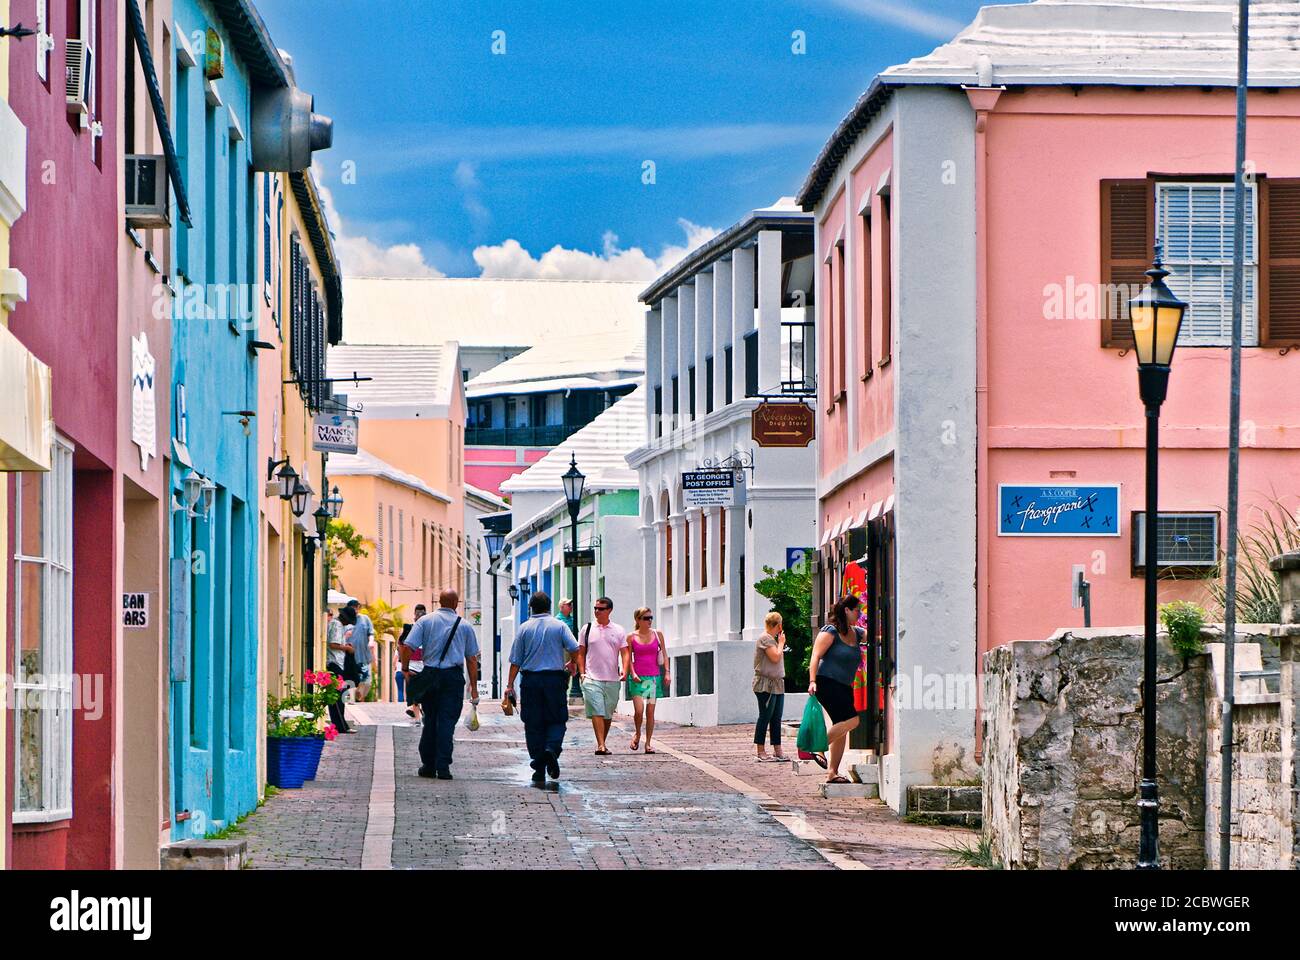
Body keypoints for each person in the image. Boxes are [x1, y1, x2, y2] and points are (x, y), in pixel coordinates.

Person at [401, 590, 479, 780]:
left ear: (440, 602)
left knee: (431, 719)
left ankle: (428, 764)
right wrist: (474, 687)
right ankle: (443, 766)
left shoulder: (425, 621)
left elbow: (407, 646)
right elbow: (471, 659)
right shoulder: (465, 626)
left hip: (430, 675)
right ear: (455, 602)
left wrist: (405, 669)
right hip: (452, 678)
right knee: (447, 721)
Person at [506, 591, 579, 785]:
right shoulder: (559, 625)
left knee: (533, 722)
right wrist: (573, 663)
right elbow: (575, 647)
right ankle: (551, 749)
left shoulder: (523, 629)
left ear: (531, 607)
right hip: (554, 680)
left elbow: (515, 661)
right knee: (557, 718)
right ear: (549, 606)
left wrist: (509, 685)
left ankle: (538, 765)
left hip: (531, 681)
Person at [807, 595, 864, 784]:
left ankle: (832, 772)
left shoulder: (856, 633)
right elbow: (815, 656)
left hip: (844, 686)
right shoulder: (830, 631)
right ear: (846, 610)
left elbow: (877, 637)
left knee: (842, 728)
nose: (860, 613)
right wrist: (812, 680)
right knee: (852, 720)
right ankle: (817, 746)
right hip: (826, 682)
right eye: (857, 610)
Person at [576, 596, 629, 755]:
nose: (597, 611)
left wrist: (625, 670)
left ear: (609, 610)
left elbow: (625, 652)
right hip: (592, 678)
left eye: (601, 609)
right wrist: (582, 673)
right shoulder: (587, 629)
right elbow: (581, 653)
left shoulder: (618, 630)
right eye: (596, 608)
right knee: (597, 711)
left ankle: (602, 742)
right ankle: (601, 745)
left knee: (607, 714)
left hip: (612, 679)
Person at [626, 607, 669, 754]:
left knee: (650, 712)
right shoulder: (631, 637)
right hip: (637, 679)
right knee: (639, 711)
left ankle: (648, 743)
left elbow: (664, 653)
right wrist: (632, 673)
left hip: (652, 679)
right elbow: (628, 659)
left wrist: (667, 673)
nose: (649, 620)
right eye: (646, 618)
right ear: (638, 620)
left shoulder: (657, 634)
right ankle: (637, 733)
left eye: (651, 617)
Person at [753, 612, 788, 761]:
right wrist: (781, 643)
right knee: (765, 716)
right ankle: (760, 750)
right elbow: (775, 657)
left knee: (776, 717)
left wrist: (779, 643)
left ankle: (777, 750)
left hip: (777, 684)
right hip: (765, 685)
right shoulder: (765, 639)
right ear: (779, 625)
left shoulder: (772, 640)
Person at [324, 608, 352, 734]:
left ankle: (342, 724)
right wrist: (347, 648)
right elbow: (333, 644)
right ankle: (340, 725)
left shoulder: (338, 625)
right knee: (339, 696)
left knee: (342, 694)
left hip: (337, 663)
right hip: (334, 663)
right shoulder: (336, 625)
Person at [398, 604, 427, 722]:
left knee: (425, 691)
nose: (419, 617)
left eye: (422, 614)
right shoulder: (409, 628)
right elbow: (401, 645)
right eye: (418, 614)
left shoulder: (429, 628)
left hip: (425, 665)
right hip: (412, 665)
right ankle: (417, 717)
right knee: (414, 692)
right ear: (414, 616)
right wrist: (403, 664)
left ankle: (423, 713)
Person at [346, 599, 375, 700]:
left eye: (357, 607)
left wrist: (371, 641)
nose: (355, 610)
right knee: (351, 678)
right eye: (353, 608)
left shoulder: (365, 619)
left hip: (364, 655)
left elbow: (371, 633)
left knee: (367, 681)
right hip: (350, 656)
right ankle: (351, 698)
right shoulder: (346, 620)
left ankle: (359, 692)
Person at [558, 598, 580, 698]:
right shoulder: (558, 620)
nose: (571, 606)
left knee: (572, 671)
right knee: (564, 673)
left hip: (572, 651)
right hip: (563, 651)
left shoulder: (572, 620)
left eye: (571, 604)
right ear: (562, 607)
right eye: (568, 604)